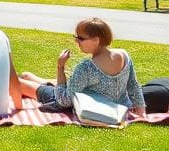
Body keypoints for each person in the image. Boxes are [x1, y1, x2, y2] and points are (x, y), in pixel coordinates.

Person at [18, 18, 146, 117]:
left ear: (96, 40)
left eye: (80, 38)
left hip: (75, 102)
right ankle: (31, 78)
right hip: (120, 106)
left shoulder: (86, 68)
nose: (76, 41)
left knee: (19, 82)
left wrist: (60, 66)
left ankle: (28, 80)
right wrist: (141, 110)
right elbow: (133, 84)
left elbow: (63, 100)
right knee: (26, 75)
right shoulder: (124, 55)